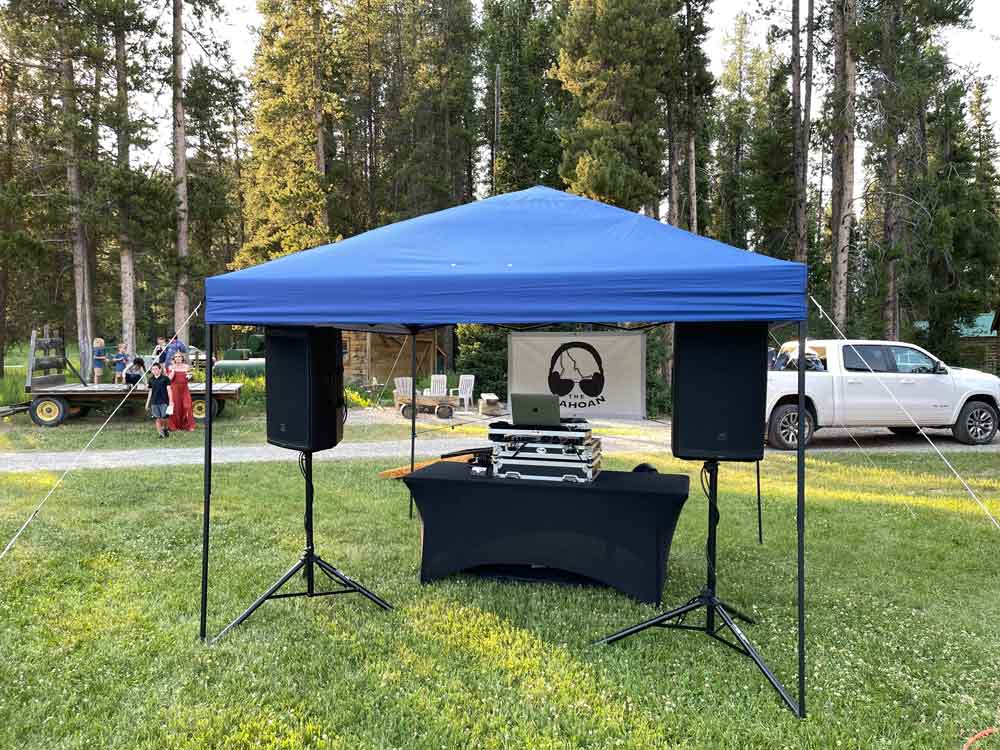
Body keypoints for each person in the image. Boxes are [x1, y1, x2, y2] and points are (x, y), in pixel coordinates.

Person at [167, 351, 196, 432]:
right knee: (176, 407)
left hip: (184, 389)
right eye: (176, 357)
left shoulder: (187, 367)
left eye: (179, 356)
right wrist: (173, 370)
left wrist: (190, 376)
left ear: (182, 358)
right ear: (174, 359)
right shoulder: (170, 367)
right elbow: (169, 379)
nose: (177, 358)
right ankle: (174, 426)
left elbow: (190, 378)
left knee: (187, 406)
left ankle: (188, 425)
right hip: (175, 389)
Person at [145, 362, 173, 438]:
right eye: (153, 369)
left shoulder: (165, 379)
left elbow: (169, 390)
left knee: (164, 418)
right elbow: (150, 392)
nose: (154, 370)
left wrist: (171, 401)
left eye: (156, 369)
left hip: (164, 401)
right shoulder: (151, 380)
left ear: (160, 370)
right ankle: (161, 434)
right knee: (157, 418)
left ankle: (165, 429)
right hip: (154, 402)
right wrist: (147, 403)